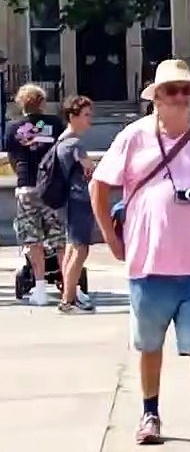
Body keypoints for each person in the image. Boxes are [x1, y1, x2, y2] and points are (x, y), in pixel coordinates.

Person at [88, 59, 190, 449]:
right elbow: (99, 187)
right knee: (149, 346)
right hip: (149, 264)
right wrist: (111, 236)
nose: (180, 98)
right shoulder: (133, 137)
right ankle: (149, 413)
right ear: (155, 97)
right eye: (171, 91)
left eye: (186, 91)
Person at [5, 83, 66, 306]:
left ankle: (39, 288)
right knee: (59, 239)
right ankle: (69, 285)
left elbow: (12, 157)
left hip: (27, 185)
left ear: (21, 103)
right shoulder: (56, 124)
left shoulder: (13, 128)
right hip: (51, 187)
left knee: (33, 239)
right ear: (42, 103)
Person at [55, 95, 97, 313]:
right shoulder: (75, 144)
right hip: (80, 199)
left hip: (68, 200)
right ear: (73, 116)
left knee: (72, 248)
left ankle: (67, 297)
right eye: (86, 115)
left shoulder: (61, 141)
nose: (90, 119)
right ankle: (68, 300)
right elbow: (90, 171)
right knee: (80, 250)